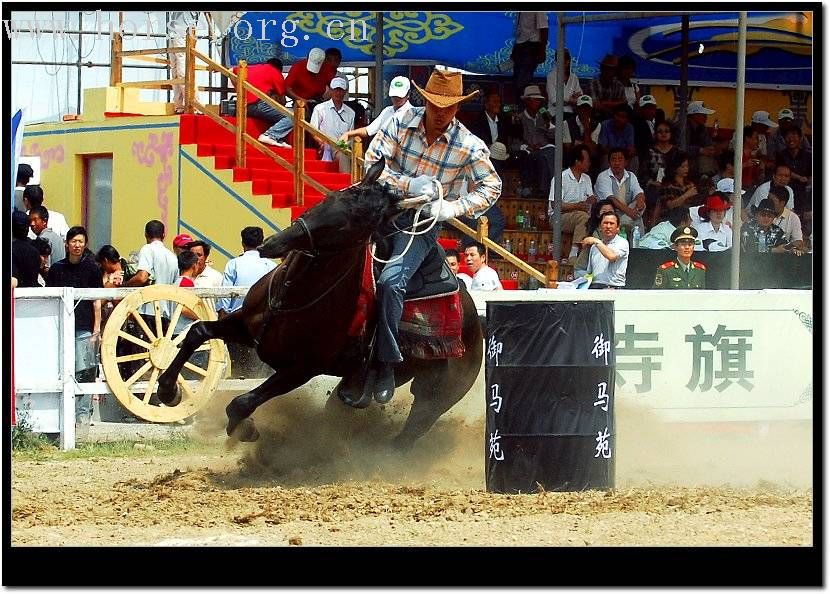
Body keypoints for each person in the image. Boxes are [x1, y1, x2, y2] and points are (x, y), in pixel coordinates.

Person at [363, 68, 501, 402]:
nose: (441, 113)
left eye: (449, 107)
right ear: (424, 100)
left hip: (417, 225)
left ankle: (385, 364)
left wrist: (453, 208)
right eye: (436, 105)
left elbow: (493, 185)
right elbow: (372, 161)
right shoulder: (398, 123)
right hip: (376, 208)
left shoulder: (468, 144)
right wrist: (408, 184)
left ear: (457, 107)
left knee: (391, 281)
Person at [46, 226, 103, 437]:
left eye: (81, 241)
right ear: (67, 244)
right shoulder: (56, 269)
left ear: (85, 244)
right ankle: (61, 421)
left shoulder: (93, 269)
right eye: (74, 241)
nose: (77, 245)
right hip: (61, 328)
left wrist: (96, 329)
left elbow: (97, 300)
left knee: (85, 373)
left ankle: (82, 421)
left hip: (84, 329)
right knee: (62, 372)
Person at [257, 48, 333, 148]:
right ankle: (298, 145)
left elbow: (333, 87)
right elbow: (287, 88)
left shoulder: (327, 69)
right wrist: (300, 99)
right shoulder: (298, 67)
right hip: (300, 103)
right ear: (307, 58)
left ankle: (326, 147)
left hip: (318, 102)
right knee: (297, 116)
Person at [124, 220, 179, 325]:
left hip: (149, 309)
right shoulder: (172, 256)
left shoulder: (147, 249)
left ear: (145, 234)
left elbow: (142, 277)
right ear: (164, 235)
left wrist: (125, 285)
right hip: (166, 311)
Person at [216, 226, 277, 316]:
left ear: (242, 243)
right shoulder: (271, 266)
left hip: (237, 318)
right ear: (262, 243)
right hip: (263, 318)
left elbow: (225, 297)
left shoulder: (233, 264)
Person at [551, 144, 596, 261]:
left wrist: (592, 199)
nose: (589, 163)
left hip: (580, 216)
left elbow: (590, 198)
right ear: (577, 161)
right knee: (584, 217)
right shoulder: (561, 177)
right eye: (587, 160)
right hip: (558, 218)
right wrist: (577, 206)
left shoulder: (587, 178)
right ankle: (573, 254)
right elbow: (555, 205)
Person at [339, 76, 413, 144]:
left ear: (408, 94)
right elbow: (369, 130)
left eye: (400, 96)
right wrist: (349, 134)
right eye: (394, 95)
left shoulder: (414, 114)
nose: (396, 98)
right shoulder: (387, 111)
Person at [594, 147, 646, 238]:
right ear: (609, 162)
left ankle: (625, 223)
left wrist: (640, 201)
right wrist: (630, 212)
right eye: (613, 159)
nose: (617, 163)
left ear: (626, 162)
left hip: (628, 213)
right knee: (637, 219)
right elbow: (611, 199)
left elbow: (638, 192)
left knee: (641, 205)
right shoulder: (603, 176)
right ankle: (638, 243)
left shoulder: (631, 175)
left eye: (620, 159)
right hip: (610, 213)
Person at [309, 77, 355, 173]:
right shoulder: (320, 108)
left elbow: (351, 135)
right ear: (330, 90)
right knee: (343, 155)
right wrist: (321, 142)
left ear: (345, 92)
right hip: (325, 145)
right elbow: (313, 130)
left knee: (349, 154)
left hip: (343, 147)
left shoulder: (351, 113)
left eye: (341, 90)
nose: (338, 93)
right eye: (335, 89)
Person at [517, 84, 556, 197]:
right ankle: (544, 190)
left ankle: (552, 188)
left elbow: (555, 136)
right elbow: (514, 141)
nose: (538, 103)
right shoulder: (519, 118)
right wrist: (527, 146)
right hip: (528, 151)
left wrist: (548, 123)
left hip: (544, 148)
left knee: (551, 152)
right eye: (535, 100)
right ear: (527, 101)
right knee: (541, 158)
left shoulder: (543, 117)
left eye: (539, 100)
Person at [583, 211, 629, 289]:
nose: (608, 226)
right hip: (594, 287)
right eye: (605, 223)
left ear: (618, 228)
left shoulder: (622, 242)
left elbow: (612, 257)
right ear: (600, 227)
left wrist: (596, 241)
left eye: (611, 223)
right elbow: (590, 273)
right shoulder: (594, 247)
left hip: (613, 287)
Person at [511, 12, 548, 100]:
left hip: (531, 46)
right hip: (520, 46)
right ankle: (519, 105)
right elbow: (520, 31)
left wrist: (542, 50)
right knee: (517, 80)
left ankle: (523, 106)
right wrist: (515, 49)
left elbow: (544, 28)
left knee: (523, 82)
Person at [574, 198, 615, 276]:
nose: (607, 215)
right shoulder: (593, 231)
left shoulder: (616, 231)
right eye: (604, 212)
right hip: (584, 271)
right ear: (598, 214)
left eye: (610, 212)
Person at [681, 100, 717, 177]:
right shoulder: (683, 127)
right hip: (684, 160)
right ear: (694, 115)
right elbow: (681, 147)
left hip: (696, 161)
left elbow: (708, 143)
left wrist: (710, 149)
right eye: (703, 115)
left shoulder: (702, 128)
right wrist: (699, 150)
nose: (706, 117)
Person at [545, 48, 582, 118]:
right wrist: (571, 100)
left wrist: (565, 100)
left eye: (566, 60)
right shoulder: (551, 77)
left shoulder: (574, 78)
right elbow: (555, 101)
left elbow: (580, 99)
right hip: (554, 114)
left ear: (569, 60)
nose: (564, 62)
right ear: (556, 61)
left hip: (571, 114)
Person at [172, 250, 201, 336]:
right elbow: (183, 309)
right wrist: (200, 316)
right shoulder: (186, 283)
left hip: (176, 328)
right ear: (194, 265)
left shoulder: (176, 282)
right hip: (183, 328)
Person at [588, 54, 626, 120]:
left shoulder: (619, 85)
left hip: (615, 120)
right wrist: (612, 109)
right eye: (606, 68)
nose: (609, 71)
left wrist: (605, 103)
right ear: (601, 68)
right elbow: (595, 105)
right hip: (596, 118)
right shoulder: (593, 83)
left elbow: (623, 104)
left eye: (612, 69)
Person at [767, 185, 804, 249]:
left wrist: (784, 247)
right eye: (768, 199)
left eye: (772, 201)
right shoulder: (763, 214)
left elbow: (798, 242)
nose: (768, 203)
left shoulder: (793, 217)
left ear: (782, 203)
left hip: (784, 255)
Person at [11, 209, 41, 288]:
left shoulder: (12, 250)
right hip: (32, 295)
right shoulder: (35, 251)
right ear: (28, 228)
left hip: (16, 297)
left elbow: (13, 282)